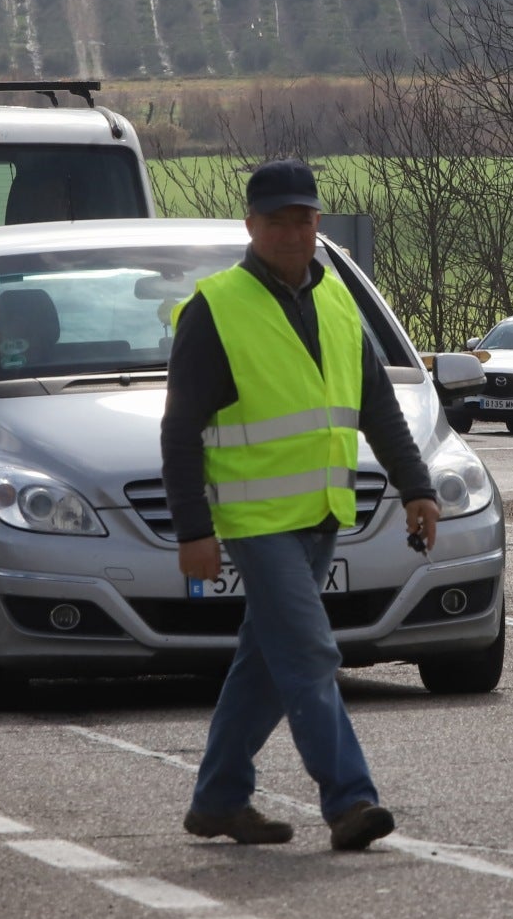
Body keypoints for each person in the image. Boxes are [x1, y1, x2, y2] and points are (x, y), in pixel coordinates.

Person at [162, 159, 440, 851]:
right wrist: (192, 530)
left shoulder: (338, 298)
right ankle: (350, 801)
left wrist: (417, 487)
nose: (293, 232)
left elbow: (376, 404)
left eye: (304, 219)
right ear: (252, 226)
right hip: (255, 524)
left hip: (321, 515)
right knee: (313, 655)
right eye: (278, 221)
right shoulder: (215, 307)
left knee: (266, 662)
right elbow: (179, 428)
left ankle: (219, 798)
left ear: (317, 223)